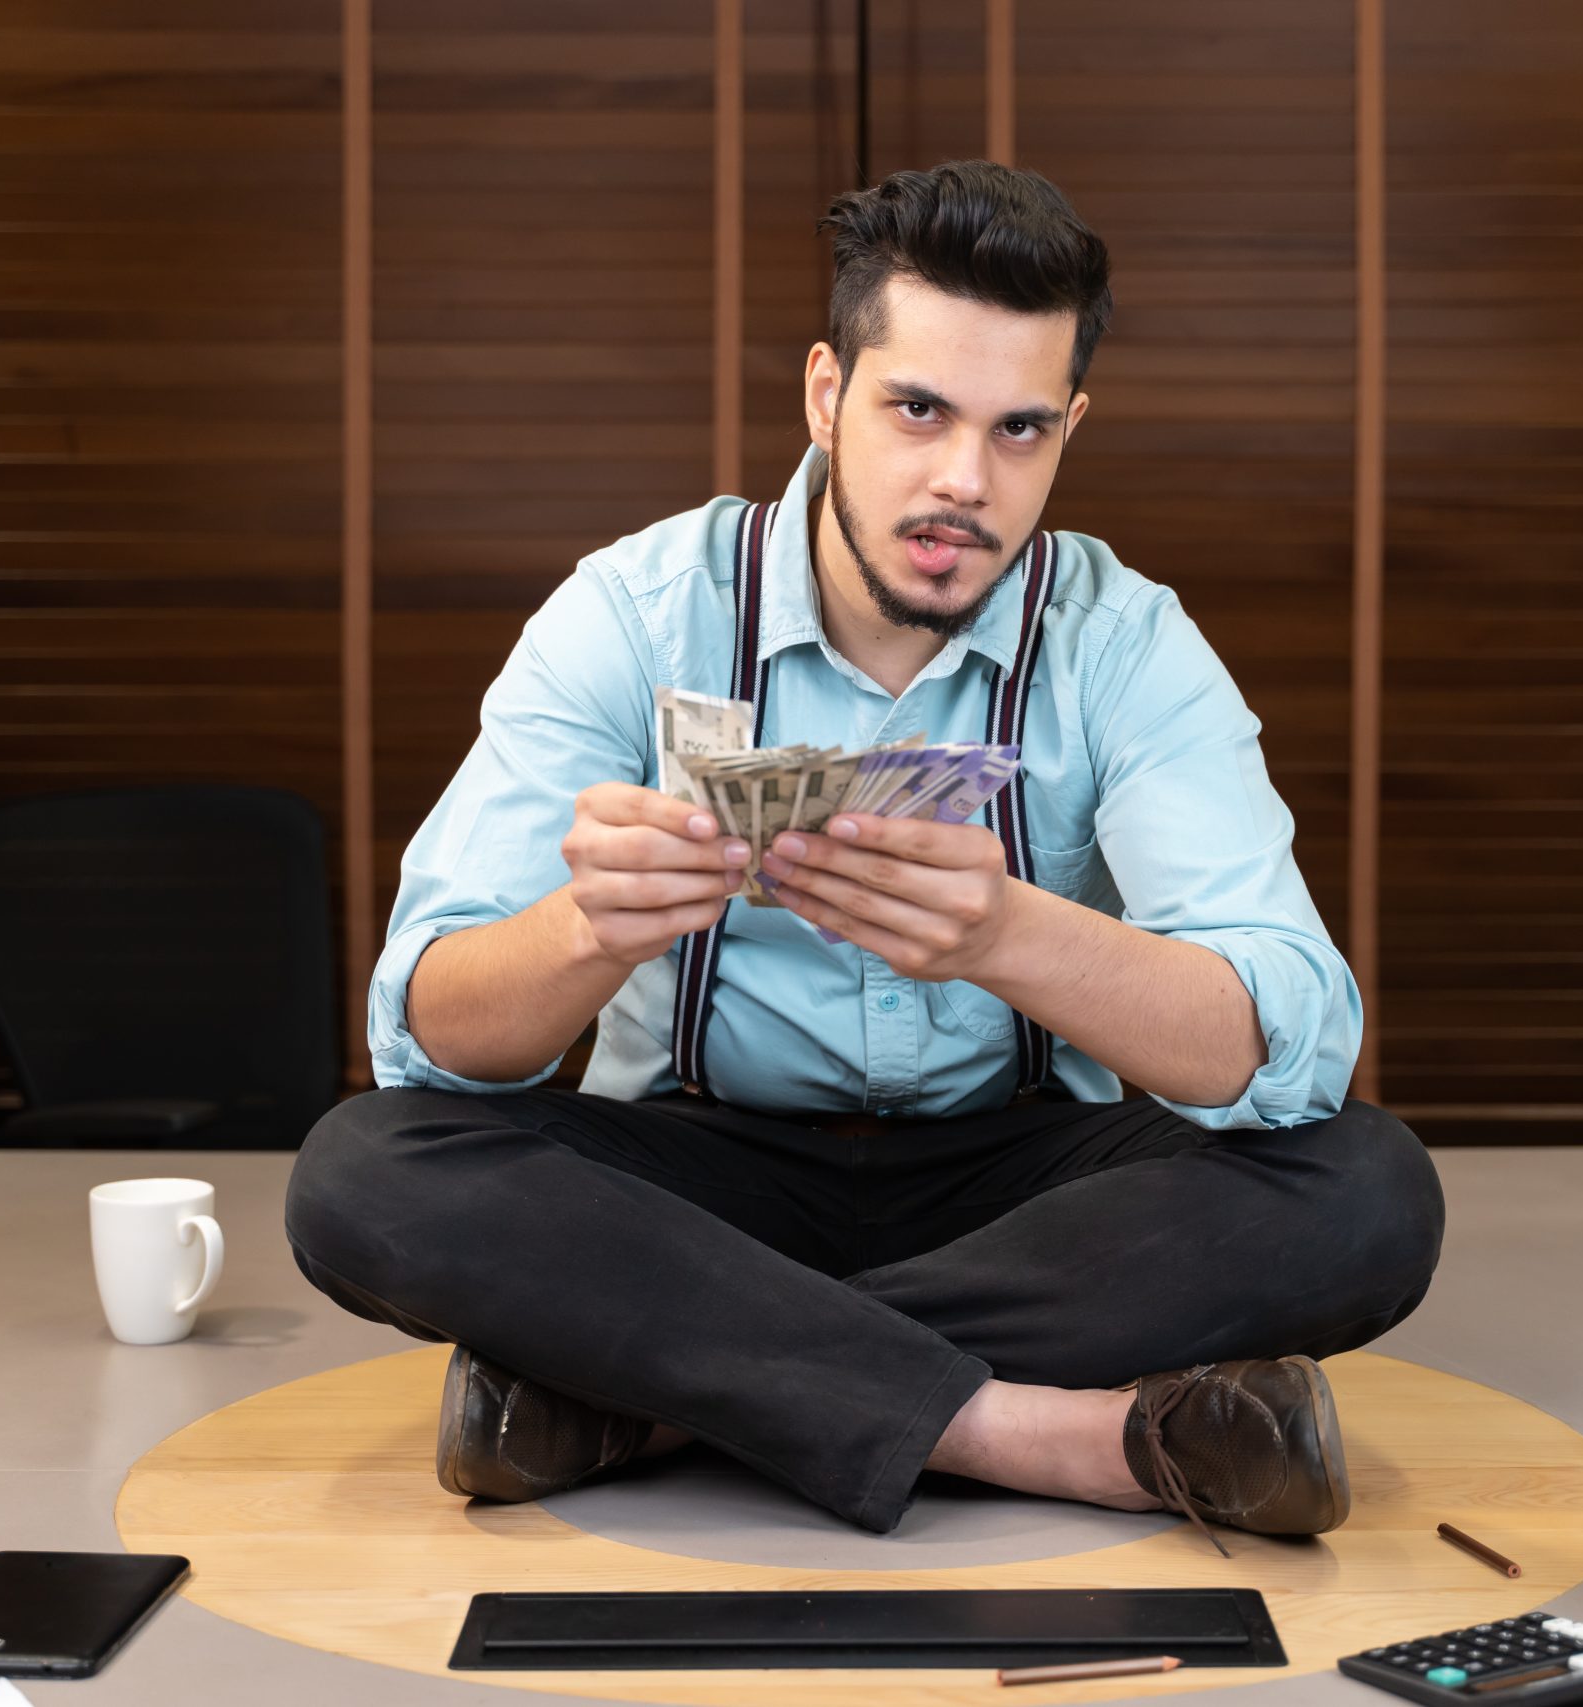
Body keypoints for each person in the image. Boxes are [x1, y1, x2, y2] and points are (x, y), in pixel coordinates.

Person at [286, 160, 1443, 1551]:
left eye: (1021, 430)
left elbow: (1286, 1038)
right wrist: (591, 933)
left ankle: (652, 1394)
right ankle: (1048, 1433)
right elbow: (429, 1031)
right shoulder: (637, 612)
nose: (965, 480)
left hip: (1020, 1194)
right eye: (919, 411)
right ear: (828, 394)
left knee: (1367, 1193)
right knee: (363, 1171)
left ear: (1072, 426)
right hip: (700, 1182)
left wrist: (1010, 936)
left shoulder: (1125, 642)